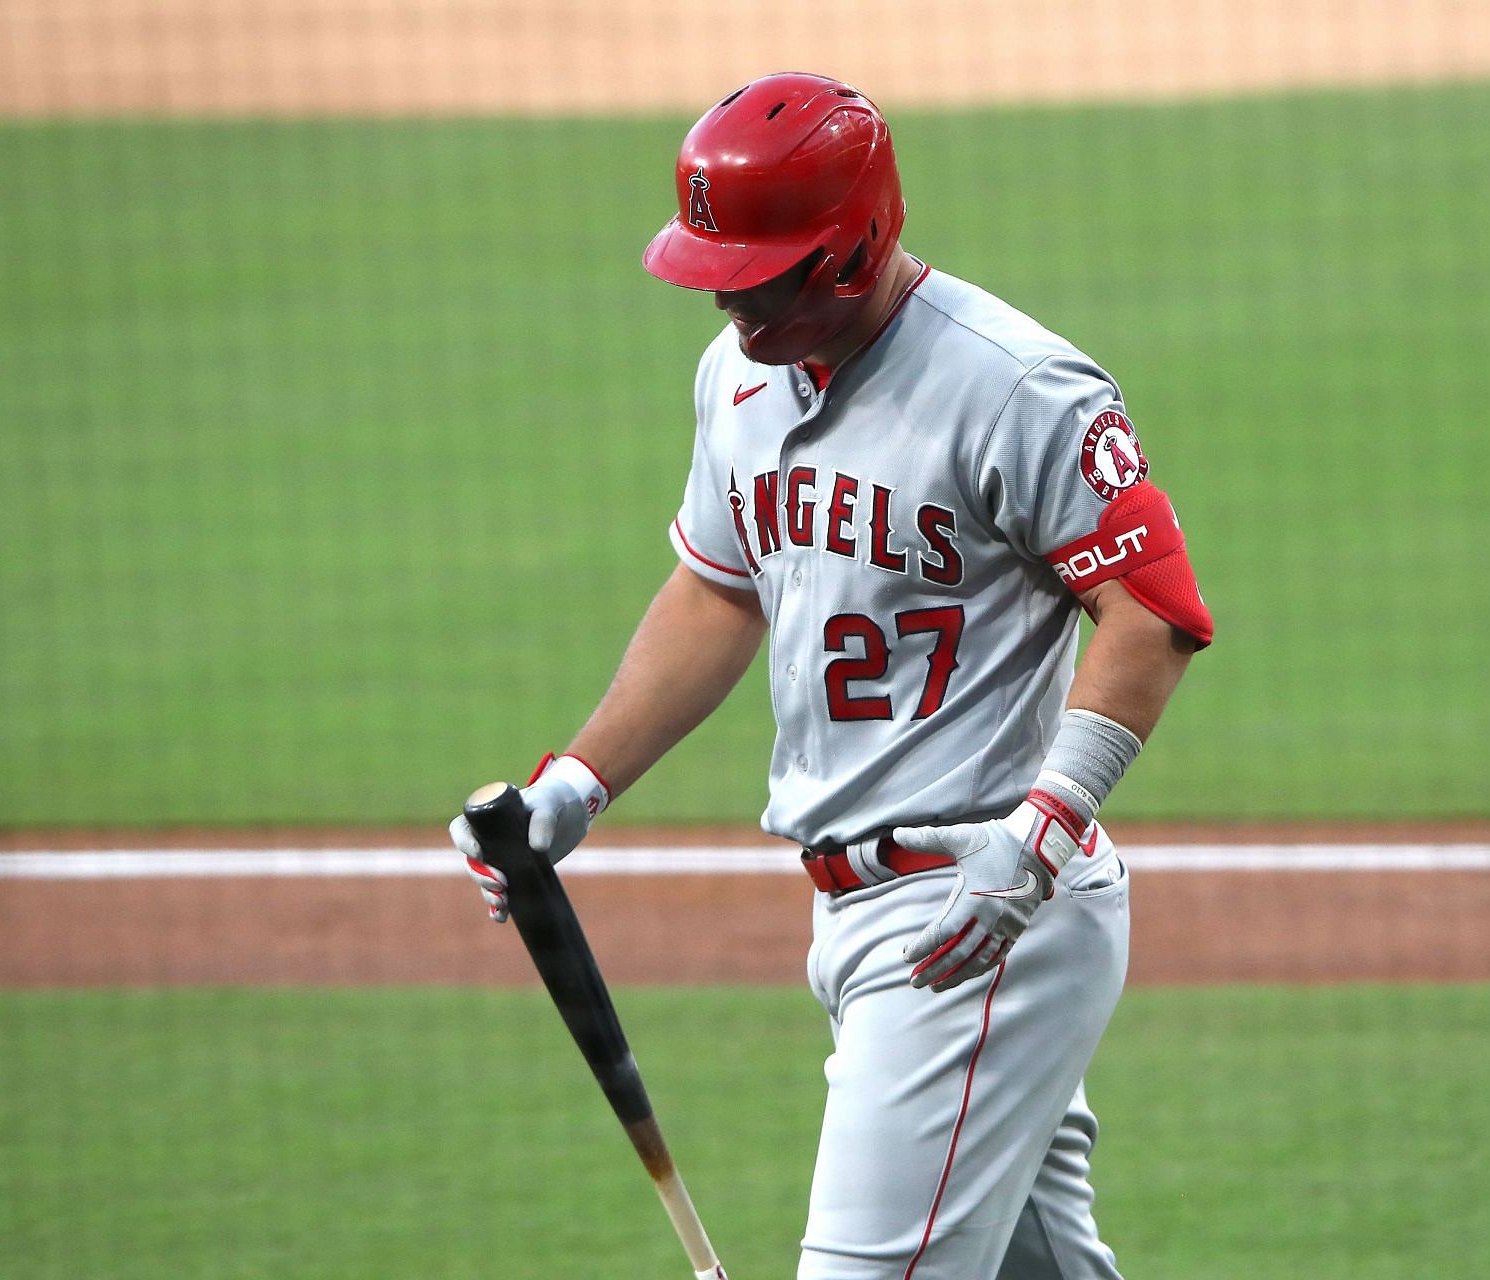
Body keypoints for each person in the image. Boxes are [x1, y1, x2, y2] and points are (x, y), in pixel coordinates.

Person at [451, 72, 1212, 1280]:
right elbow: (718, 587)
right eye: (718, 279)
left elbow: (1152, 609)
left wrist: (1047, 824)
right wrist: (579, 781)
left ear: (855, 246)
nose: (736, 309)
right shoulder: (737, 379)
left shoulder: (1015, 386)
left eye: (761, 278)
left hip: (979, 911)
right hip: (855, 916)